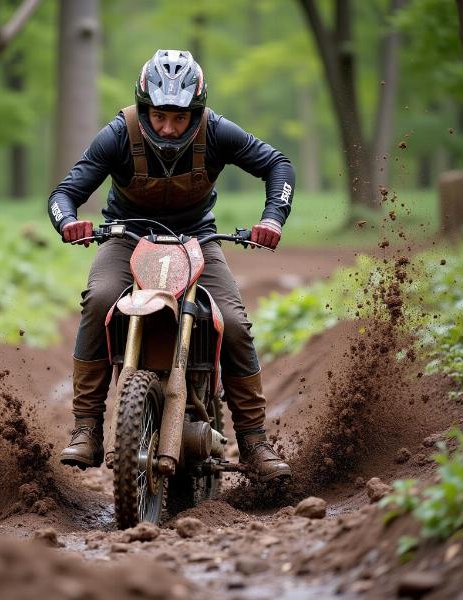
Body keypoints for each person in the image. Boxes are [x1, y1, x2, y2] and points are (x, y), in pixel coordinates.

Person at [48, 49, 295, 482]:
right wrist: (67, 221)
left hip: (198, 240)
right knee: (100, 299)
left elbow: (278, 164)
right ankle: (86, 428)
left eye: (180, 118)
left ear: (196, 112)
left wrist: (273, 217)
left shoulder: (217, 131)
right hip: (127, 238)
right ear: (144, 108)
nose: (168, 127)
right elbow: (63, 193)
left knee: (233, 323)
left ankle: (254, 442)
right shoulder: (118, 134)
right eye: (159, 116)